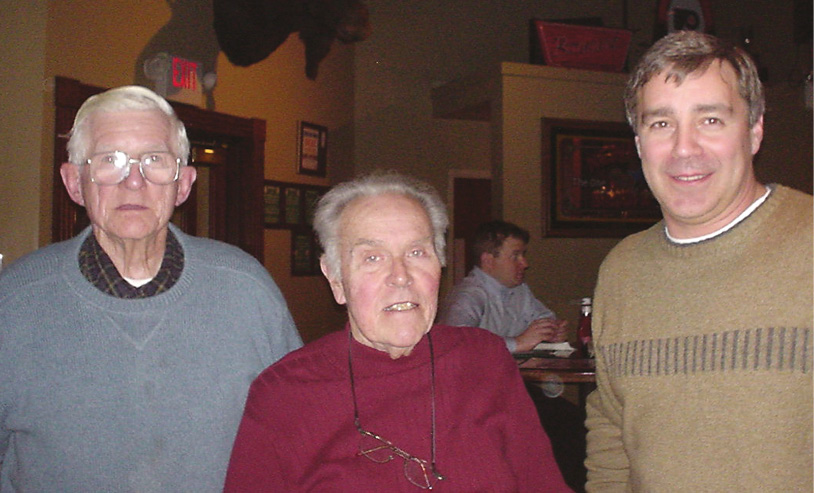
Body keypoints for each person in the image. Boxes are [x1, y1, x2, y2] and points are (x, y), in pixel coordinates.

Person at [0, 85, 303, 491]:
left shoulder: (248, 291)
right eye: (110, 160)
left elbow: (301, 435)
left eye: (155, 160)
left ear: (183, 184)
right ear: (74, 183)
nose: (134, 181)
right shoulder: (16, 302)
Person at [224, 172, 572, 491]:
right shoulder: (283, 394)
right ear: (335, 279)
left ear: (440, 265)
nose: (401, 276)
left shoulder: (485, 361)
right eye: (372, 258)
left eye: (417, 252)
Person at [584, 31, 813, 491]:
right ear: (637, 143)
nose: (684, 149)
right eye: (661, 123)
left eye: (710, 119)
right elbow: (611, 428)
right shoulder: (621, 271)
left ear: (754, 131)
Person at [439, 220, 567, 353]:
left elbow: (543, 318)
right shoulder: (468, 295)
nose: (525, 263)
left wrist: (552, 332)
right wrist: (517, 343)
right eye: (515, 256)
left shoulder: (519, 290)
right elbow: (455, 341)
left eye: (523, 255)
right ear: (488, 261)